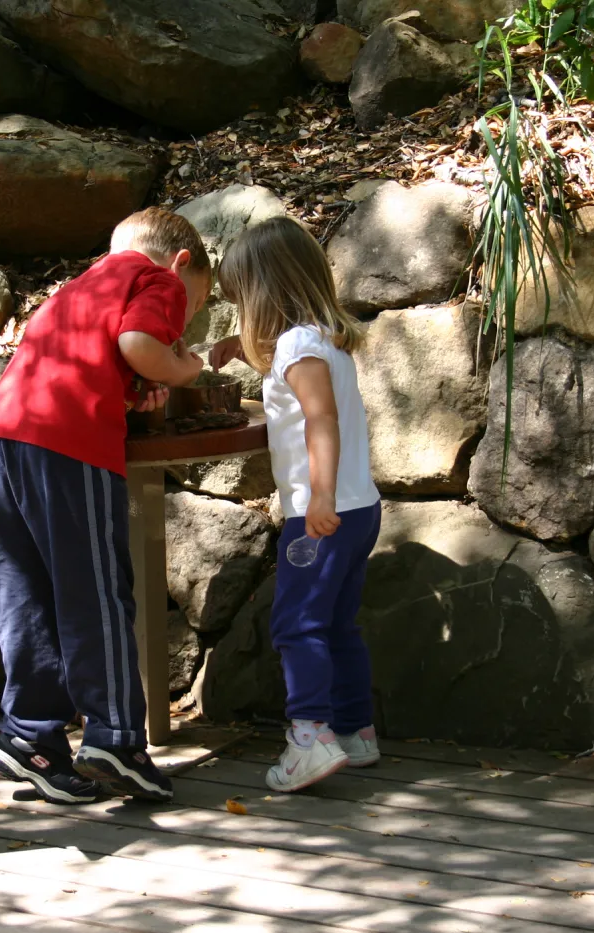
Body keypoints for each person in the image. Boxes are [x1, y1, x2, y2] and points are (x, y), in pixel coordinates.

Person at [0, 208, 210, 804]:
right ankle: (116, 738)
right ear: (181, 263)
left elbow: (100, 357)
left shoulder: (79, 287)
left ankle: (28, 736)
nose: (181, 324)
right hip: (69, 447)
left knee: (25, 591)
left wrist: (135, 387)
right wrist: (182, 368)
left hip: (3, 441)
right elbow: (139, 343)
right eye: (193, 306)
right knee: (96, 591)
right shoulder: (155, 277)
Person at [210, 216, 382, 793]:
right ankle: (355, 731)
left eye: (241, 302)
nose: (241, 314)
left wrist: (319, 497)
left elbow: (320, 419)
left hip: (323, 514)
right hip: (358, 509)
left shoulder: (296, 347)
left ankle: (310, 738)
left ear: (264, 294)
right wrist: (243, 351)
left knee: (296, 625)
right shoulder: (319, 341)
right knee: (336, 624)